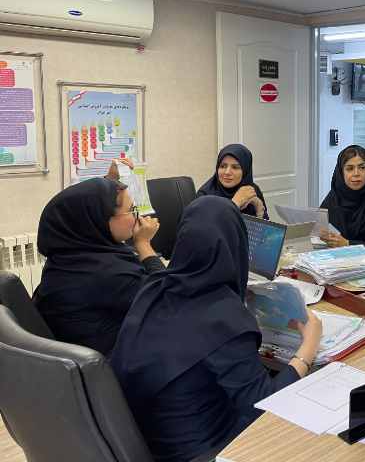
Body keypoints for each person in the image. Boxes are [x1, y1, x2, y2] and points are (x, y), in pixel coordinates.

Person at [110, 196, 322, 462]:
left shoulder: (155, 286)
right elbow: (264, 405)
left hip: (151, 439)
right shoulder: (224, 318)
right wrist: (308, 348)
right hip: (206, 451)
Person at [35, 176, 162, 355]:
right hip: (116, 364)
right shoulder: (110, 275)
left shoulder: (68, 258)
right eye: (131, 210)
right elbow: (168, 300)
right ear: (99, 219)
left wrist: (111, 181)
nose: (138, 217)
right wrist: (143, 244)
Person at [198, 144, 268, 219]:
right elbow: (208, 225)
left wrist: (259, 209)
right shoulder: (204, 196)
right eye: (223, 166)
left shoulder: (251, 190)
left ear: (245, 171)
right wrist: (235, 203)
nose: (227, 172)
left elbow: (265, 224)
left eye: (235, 167)